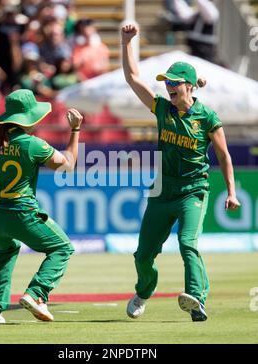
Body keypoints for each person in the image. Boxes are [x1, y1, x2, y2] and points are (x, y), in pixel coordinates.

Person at [121, 24, 241, 322]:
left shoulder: (207, 116)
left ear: (188, 86)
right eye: (166, 82)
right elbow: (133, 78)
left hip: (192, 189)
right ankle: (144, 291)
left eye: (174, 83)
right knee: (143, 255)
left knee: (188, 243)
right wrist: (126, 42)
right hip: (162, 190)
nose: (168, 86)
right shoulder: (163, 108)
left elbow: (224, 155)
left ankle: (197, 300)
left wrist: (232, 191)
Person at [0, 88, 83, 324]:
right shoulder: (33, 144)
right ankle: (36, 294)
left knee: (6, 250)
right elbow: (68, 166)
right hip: (19, 213)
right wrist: (75, 130)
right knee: (62, 248)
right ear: (29, 118)